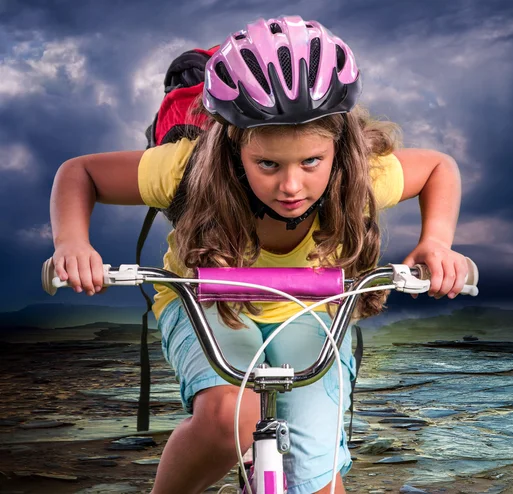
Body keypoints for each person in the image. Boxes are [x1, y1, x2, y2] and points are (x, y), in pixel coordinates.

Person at [49, 15, 467, 494]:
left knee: (318, 475)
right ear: (232, 144)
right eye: (267, 164)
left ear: (340, 145)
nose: (291, 186)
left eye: (312, 161)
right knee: (231, 415)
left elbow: (439, 167)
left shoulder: (364, 173)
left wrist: (436, 241)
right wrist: (72, 243)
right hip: (205, 301)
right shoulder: (188, 168)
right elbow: (80, 173)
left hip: (309, 307)